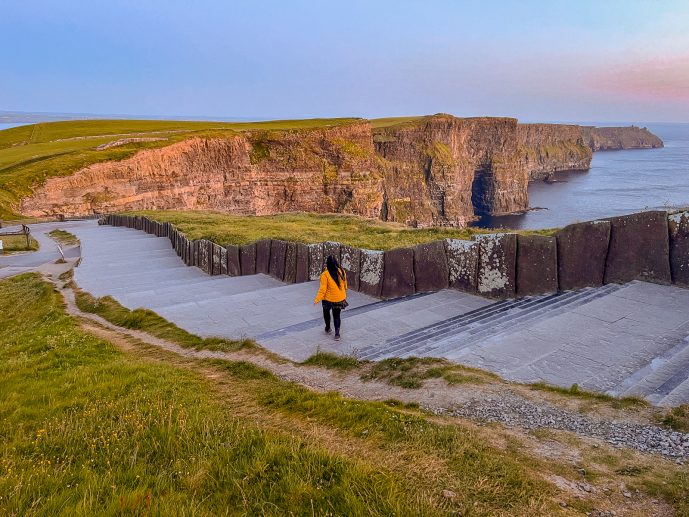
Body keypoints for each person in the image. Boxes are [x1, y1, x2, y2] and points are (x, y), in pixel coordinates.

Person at [313, 255, 348, 340]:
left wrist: (317, 299)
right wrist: (343, 291)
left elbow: (323, 289)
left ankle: (328, 328)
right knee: (337, 315)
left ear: (327, 264)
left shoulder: (325, 275)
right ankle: (337, 334)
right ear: (336, 262)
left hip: (328, 299)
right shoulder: (342, 271)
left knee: (326, 312)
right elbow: (345, 284)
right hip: (339, 298)